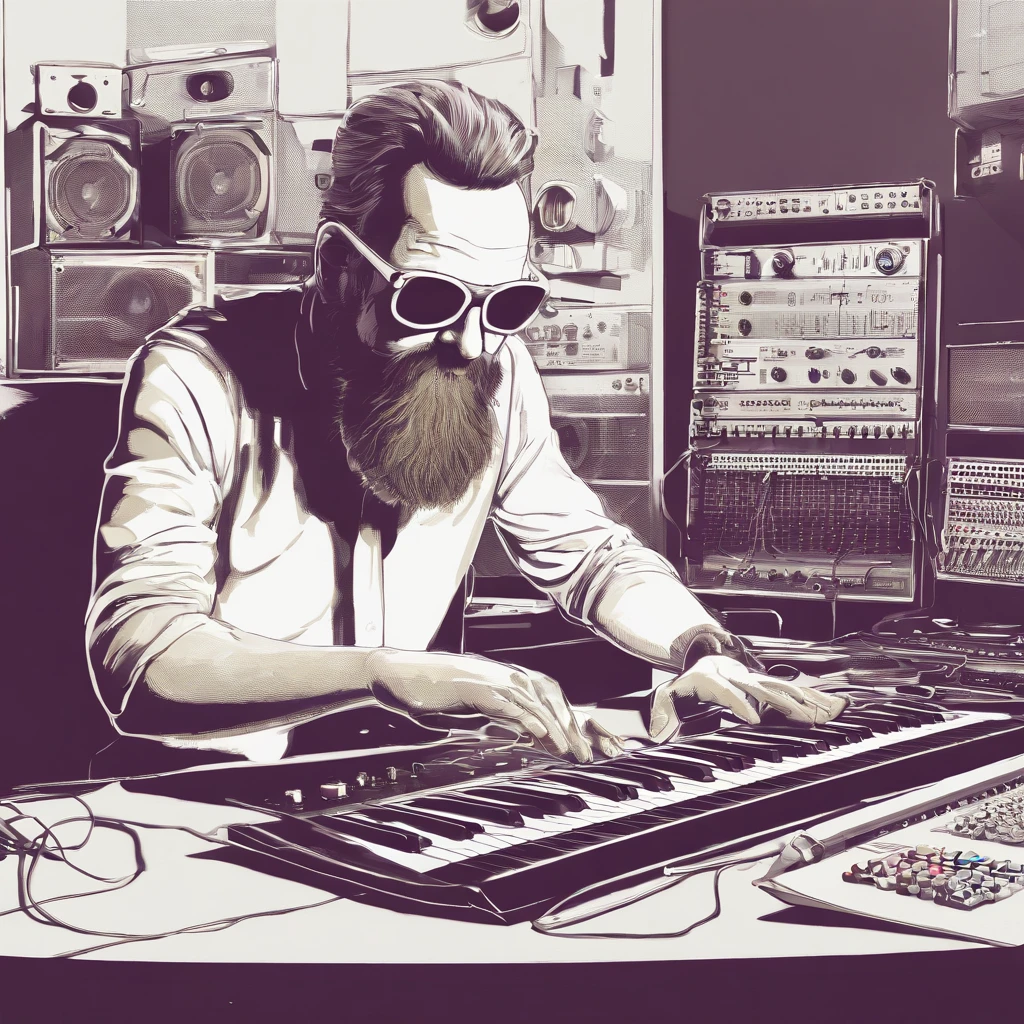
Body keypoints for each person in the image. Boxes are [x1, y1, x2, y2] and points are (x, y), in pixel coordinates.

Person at [85, 81, 844, 773]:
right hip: (205, 803)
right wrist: (382, 673)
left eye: (506, 304)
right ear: (339, 264)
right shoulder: (197, 372)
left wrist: (698, 647)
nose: (473, 343)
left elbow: (589, 553)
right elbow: (142, 651)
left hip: (404, 785)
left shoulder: (495, 365)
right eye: (430, 299)